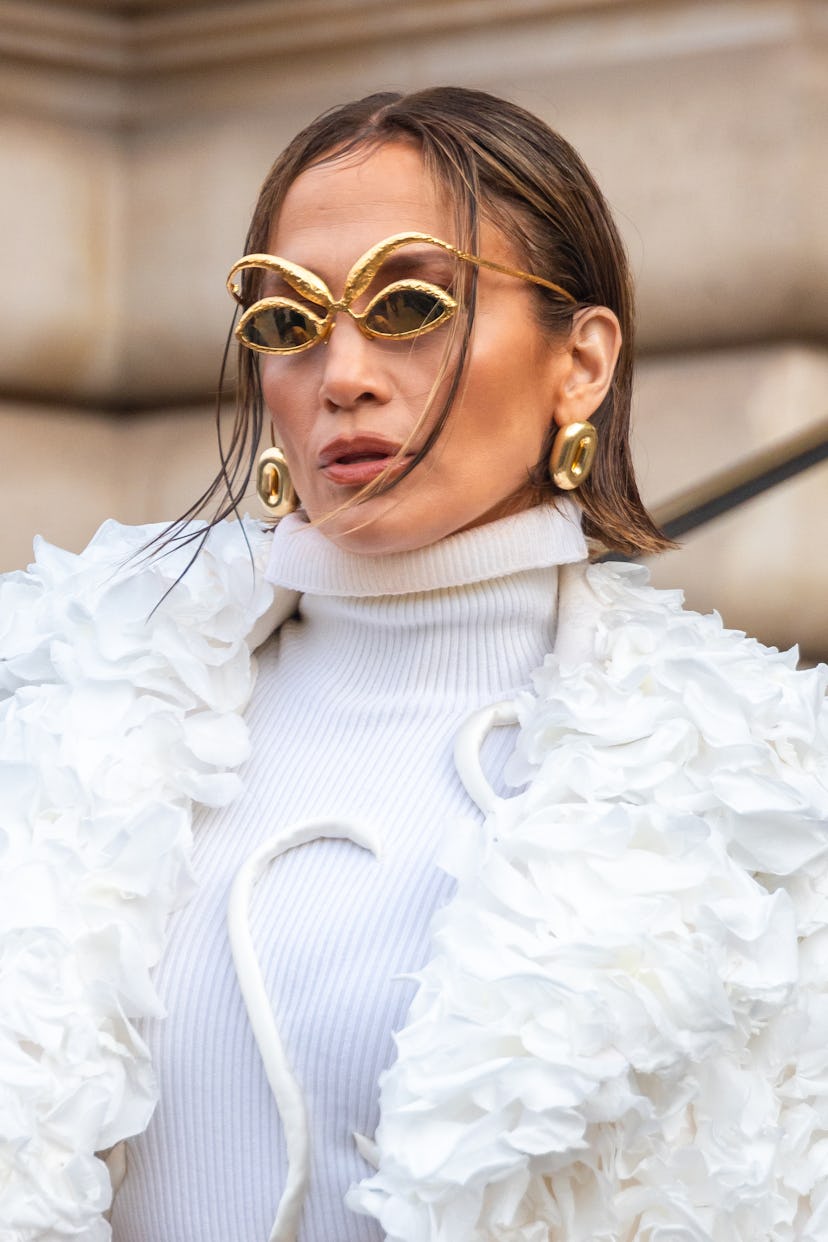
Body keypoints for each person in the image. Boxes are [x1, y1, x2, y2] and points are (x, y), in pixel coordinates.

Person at [2, 87, 827, 1242]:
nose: (342, 373)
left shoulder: (761, 791)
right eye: (289, 319)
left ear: (581, 363)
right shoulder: (57, 713)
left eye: (408, 305)